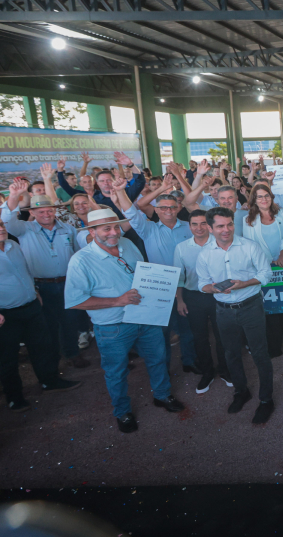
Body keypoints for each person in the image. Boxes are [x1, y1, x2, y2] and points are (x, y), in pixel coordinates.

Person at [66, 209, 183, 433]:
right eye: (106, 228)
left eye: (116, 227)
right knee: (116, 372)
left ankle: (162, 395)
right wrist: (117, 301)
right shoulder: (80, 261)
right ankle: (122, 412)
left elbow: (142, 274)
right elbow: (76, 301)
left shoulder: (127, 244)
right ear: (92, 232)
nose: (113, 232)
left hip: (145, 317)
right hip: (113, 326)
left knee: (158, 359)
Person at [196, 207, 275, 424]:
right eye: (220, 226)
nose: (226, 229)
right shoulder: (204, 254)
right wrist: (213, 289)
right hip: (223, 311)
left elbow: (266, 274)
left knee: (260, 353)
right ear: (210, 228)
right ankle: (241, 392)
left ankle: (266, 400)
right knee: (231, 354)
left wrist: (244, 284)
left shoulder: (250, 246)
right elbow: (202, 284)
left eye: (229, 224)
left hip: (251, 306)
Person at [2, 178, 89, 368]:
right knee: (47, 326)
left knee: (69, 321)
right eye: (40, 211)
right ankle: (54, 359)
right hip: (41, 286)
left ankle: (72, 354)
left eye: (49, 210)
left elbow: (77, 254)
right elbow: (7, 221)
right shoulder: (25, 229)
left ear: (55, 210)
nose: (46, 214)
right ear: (32, 212)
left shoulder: (68, 229)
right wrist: (15, 195)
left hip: (67, 283)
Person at [114, 176, 198, 373]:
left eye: (172, 207)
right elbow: (131, 213)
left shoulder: (190, 227)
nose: (168, 211)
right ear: (157, 210)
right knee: (162, 334)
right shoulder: (147, 228)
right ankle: (165, 369)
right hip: (161, 288)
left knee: (188, 329)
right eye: (163, 208)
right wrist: (120, 191)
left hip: (187, 285)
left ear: (178, 208)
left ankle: (190, 361)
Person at [0, 219, 81, 412]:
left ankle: (50, 382)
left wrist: (34, 290)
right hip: (5, 315)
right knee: (7, 357)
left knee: (42, 347)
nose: (1, 230)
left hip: (31, 306)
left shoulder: (13, 245)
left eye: (1, 226)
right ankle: (14, 397)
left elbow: (25, 271)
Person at [242, 183, 283, 358]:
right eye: (260, 196)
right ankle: (274, 344)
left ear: (272, 197)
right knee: (269, 308)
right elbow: (250, 246)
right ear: (254, 199)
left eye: (267, 195)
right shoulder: (247, 219)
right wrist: (266, 263)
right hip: (264, 268)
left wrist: (282, 255)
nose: (264, 199)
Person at [173, 209, 230, 394]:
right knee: (199, 337)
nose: (199, 227)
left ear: (210, 225)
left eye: (203, 223)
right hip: (193, 297)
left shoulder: (221, 243)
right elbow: (179, 277)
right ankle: (207, 372)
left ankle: (225, 370)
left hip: (218, 295)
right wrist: (180, 300)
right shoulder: (181, 248)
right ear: (189, 227)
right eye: (194, 224)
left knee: (222, 335)